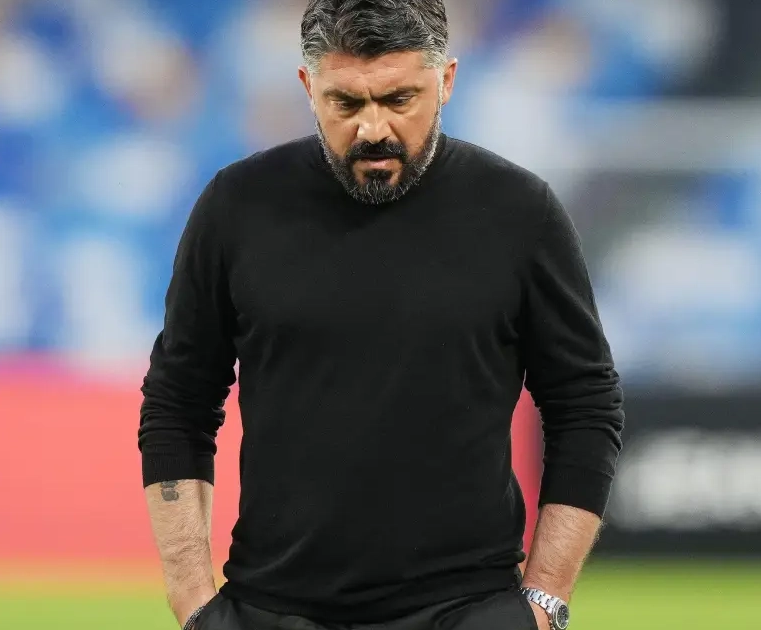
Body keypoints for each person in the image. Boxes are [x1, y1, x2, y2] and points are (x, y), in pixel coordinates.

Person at [138, 1, 624, 629]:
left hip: (468, 610)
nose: (373, 128)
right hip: (271, 608)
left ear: (446, 81)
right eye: (346, 103)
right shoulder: (236, 205)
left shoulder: (520, 211)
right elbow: (178, 402)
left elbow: (585, 405)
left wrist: (546, 599)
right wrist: (193, 604)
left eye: (399, 99)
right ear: (308, 87)